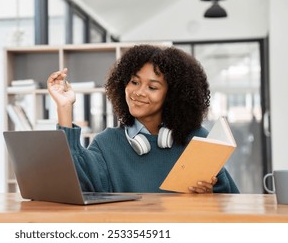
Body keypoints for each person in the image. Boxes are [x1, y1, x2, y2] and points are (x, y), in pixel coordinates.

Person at [47, 44, 239, 194]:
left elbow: (231, 202)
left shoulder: (197, 140)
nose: (138, 92)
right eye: (134, 82)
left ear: (172, 96)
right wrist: (64, 107)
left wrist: (209, 196)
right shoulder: (107, 143)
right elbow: (74, 184)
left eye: (152, 87)